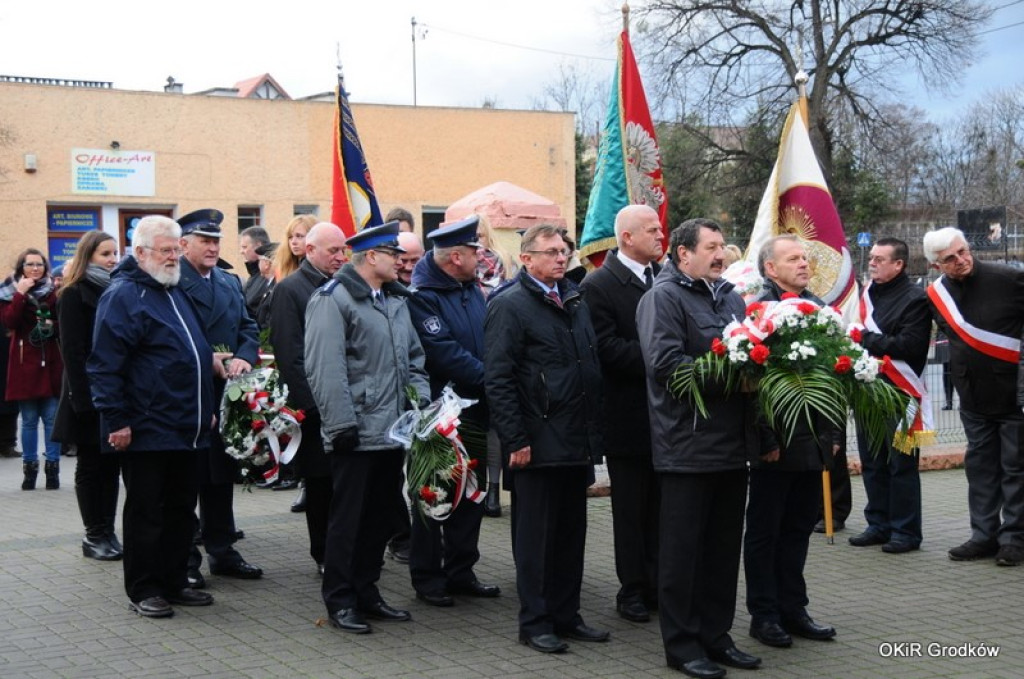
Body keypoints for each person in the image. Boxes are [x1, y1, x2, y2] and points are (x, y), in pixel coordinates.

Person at [637, 218, 764, 678]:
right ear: (682, 254)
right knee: (683, 554)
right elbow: (667, 367)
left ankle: (717, 635)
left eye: (721, 248)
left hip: (732, 447)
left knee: (722, 551)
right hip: (686, 447)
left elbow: (752, 350)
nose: (720, 254)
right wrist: (736, 373)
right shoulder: (663, 298)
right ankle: (683, 645)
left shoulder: (730, 296)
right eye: (710, 247)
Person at [485, 224, 608, 655]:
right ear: (527, 258)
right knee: (536, 538)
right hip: (535, 441)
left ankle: (566, 614)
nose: (561, 258)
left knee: (570, 534)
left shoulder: (573, 299)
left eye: (565, 251)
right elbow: (498, 378)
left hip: (575, 439)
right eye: (551, 252)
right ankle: (535, 622)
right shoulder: (510, 305)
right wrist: (515, 437)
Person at [87, 215, 216, 618]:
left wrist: (205, 410)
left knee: (180, 510)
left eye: (176, 249)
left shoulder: (173, 290)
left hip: (185, 425)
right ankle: (144, 588)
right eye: (166, 250)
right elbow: (104, 365)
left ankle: (175, 580)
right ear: (140, 253)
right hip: (146, 426)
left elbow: (195, 356)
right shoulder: (124, 295)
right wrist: (117, 420)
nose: (174, 257)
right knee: (147, 512)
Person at [305, 220, 429, 634]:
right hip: (355, 432)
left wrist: (419, 403)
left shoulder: (394, 300)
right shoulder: (333, 299)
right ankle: (341, 599)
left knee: (378, 519)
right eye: (394, 255)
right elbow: (326, 367)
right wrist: (341, 424)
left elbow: (414, 359)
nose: (402, 262)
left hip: (392, 429)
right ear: (371, 257)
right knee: (349, 521)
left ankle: (367, 591)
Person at [744, 235, 838, 652]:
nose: (803, 264)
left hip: (814, 440)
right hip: (776, 444)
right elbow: (754, 383)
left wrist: (833, 435)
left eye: (805, 258)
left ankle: (793, 608)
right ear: (770, 268)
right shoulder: (758, 311)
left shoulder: (819, 309)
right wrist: (766, 437)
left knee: (799, 528)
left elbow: (836, 375)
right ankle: (763, 615)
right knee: (766, 531)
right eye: (792, 259)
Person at [407, 215, 500, 607]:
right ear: (455, 257)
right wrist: (492, 378)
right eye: (474, 251)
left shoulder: (471, 289)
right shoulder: (422, 295)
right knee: (435, 493)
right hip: (441, 414)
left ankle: (461, 570)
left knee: (471, 494)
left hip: (476, 409)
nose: (481, 256)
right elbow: (443, 351)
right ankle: (428, 577)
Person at [579, 205, 663, 623]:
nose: (660, 234)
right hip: (627, 417)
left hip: (667, 420)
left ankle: (656, 583)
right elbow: (605, 349)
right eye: (651, 230)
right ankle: (631, 589)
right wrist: (662, 359)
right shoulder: (599, 285)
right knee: (631, 510)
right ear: (627, 237)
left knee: (661, 509)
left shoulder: (665, 278)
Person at [923, 227, 1024, 566]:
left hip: (1013, 394)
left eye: (963, 251)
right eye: (950, 259)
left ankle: (1014, 539)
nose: (961, 260)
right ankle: (983, 535)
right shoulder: (937, 294)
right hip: (972, 396)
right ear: (938, 265)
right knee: (980, 470)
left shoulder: (1008, 279)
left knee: (1015, 469)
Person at [176, 209, 264, 587]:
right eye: (204, 241)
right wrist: (204, 358)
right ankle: (187, 560)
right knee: (188, 478)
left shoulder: (228, 282)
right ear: (184, 245)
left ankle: (223, 549)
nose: (213, 248)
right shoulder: (172, 281)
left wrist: (245, 356)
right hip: (190, 391)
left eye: (216, 241)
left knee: (220, 474)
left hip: (228, 391)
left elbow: (248, 325)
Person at [268, 222, 348, 574]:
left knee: (343, 484)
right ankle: (324, 555)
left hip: (344, 403)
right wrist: (315, 407)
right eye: (333, 251)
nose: (340, 257)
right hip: (316, 410)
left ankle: (346, 548)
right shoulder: (291, 289)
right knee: (320, 484)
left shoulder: (343, 285)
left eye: (343, 250)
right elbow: (290, 354)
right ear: (310, 250)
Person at [849, 237, 931, 554]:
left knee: (901, 465)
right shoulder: (866, 294)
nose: (872, 262)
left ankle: (906, 531)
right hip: (868, 390)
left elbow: (909, 346)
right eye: (871, 257)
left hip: (902, 393)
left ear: (898, 264)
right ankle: (878, 524)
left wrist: (864, 337)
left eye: (880, 259)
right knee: (872, 461)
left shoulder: (915, 299)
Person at [53, 231, 123, 560]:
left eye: (114, 254)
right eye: (105, 254)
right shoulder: (73, 293)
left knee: (110, 468)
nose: (112, 260)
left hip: (112, 393)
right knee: (90, 465)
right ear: (88, 257)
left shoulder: (116, 290)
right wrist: (84, 402)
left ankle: (107, 531)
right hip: (86, 395)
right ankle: (94, 535)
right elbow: (72, 352)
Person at [0, 249, 64, 491]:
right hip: (24, 363)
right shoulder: (9, 291)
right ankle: (30, 469)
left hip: (51, 362)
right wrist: (20, 294)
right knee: (28, 421)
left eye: (40, 264)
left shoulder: (54, 292)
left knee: (50, 419)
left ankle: (53, 469)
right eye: (30, 264)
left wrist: (51, 324)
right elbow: (10, 322)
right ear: (21, 267)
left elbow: (63, 323)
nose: (35, 269)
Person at [474, 214, 516, 516]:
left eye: (479, 234)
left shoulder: (498, 261)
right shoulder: (456, 265)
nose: (476, 240)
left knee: (495, 425)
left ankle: (493, 490)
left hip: (495, 341)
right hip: (471, 345)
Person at [272, 214, 317, 281]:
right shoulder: (285, 267)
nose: (293, 242)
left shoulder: (321, 269)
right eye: (290, 237)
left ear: (314, 236)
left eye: (299, 236)